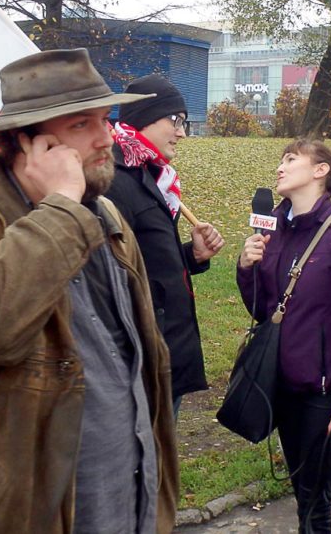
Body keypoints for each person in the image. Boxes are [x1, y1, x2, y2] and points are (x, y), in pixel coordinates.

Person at [0, 49, 179, 533]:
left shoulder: (108, 218)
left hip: (130, 495)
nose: (107, 139)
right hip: (31, 509)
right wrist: (59, 207)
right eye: (82, 125)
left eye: (106, 119)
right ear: (26, 145)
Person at [237, 140, 331, 533]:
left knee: (315, 505)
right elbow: (264, 311)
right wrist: (247, 267)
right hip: (279, 386)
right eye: (281, 160)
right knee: (304, 496)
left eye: (291, 160)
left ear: (320, 171)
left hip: (322, 395)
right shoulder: (275, 230)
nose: (280, 168)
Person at [107, 74, 225, 416]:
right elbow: (114, 274)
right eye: (175, 120)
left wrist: (193, 255)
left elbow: (147, 261)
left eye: (184, 122)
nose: (182, 132)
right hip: (140, 356)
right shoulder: (115, 180)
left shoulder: (151, 174)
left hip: (164, 347)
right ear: (144, 115)